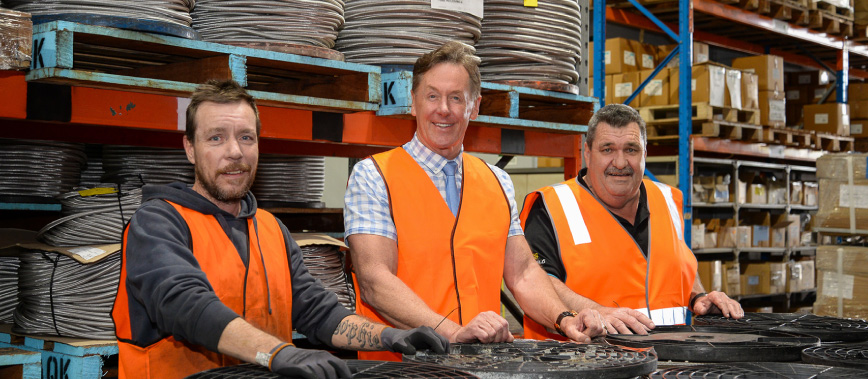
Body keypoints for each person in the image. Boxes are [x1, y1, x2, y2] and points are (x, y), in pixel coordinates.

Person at [112, 80, 449, 379]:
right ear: (190, 148)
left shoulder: (271, 229)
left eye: (246, 137)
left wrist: (388, 336)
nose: (234, 152)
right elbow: (185, 304)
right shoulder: (157, 223)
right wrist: (277, 353)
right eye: (216, 138)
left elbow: (317, 311)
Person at [343, 41, 606, 361]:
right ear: (413, 103)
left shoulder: (497, 182)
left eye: (456, 98)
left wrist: (564, 318)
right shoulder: (373, 177)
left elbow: (523, 272)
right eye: (432, 96)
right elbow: (374, 280)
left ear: (475, 106)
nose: (444, 109)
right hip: (400, 368)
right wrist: (452, 332)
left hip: (479, 366)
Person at [519, 103, 744, 340]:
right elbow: (538, 282)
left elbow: (678, 264)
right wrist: (598, 312)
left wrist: (699, 297)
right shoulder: (552, 206)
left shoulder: (667, 199)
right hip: (583, 365)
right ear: (587, 152)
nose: (620, 162)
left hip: (666, 364)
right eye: (607, 149)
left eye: (631, 149)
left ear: (644, 153)